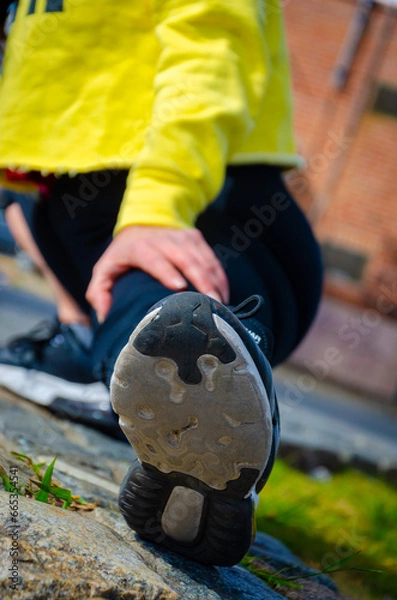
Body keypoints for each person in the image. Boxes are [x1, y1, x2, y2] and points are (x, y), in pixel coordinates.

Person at [0, 0, 323, 565]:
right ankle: (99, 352)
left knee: (165, 317)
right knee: (37, 225)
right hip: (77, 194)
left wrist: (160, 204)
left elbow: (214, 33)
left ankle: (209, 391)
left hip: (202, 194)